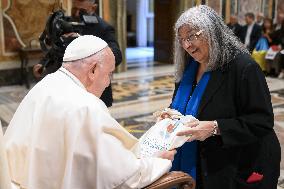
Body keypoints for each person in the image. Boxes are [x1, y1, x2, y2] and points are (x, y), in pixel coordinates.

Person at [4, 35, 176, 189]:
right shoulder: (86, 106)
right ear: (93, 70)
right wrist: (157, 162)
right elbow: (123, 177)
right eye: (109, 74)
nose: (108, 83)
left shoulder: (46, 84)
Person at [167, 5, 280, 189]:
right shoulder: (189, 68)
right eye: (182, 39)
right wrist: (171, 114)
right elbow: (184, 104)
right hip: (201, 164)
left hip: (238, 166)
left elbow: (262, 121)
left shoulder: (243, 67)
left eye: (192, 36)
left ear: (212, 32)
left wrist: (215, 128)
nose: (186, 45)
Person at [33, 0, 122, 107]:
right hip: (68, 90)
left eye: (81, 11)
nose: (76, 14)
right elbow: (57, 46)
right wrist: (43, 63)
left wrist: (83, 41)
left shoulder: (103, 28)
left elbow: (117, 55)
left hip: (95, 93)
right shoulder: (67, 23)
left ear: (93, 8)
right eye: (74, 9)